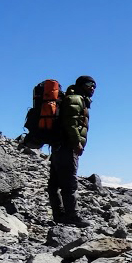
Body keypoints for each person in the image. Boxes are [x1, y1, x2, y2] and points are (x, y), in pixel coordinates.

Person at [48, 75, 95, 227]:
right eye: (89, 84)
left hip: (58, 145)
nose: (92, 88)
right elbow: (71, 123)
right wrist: (77, 143)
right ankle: (71, 215)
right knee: (69, 183)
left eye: (94, 85)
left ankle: (59, 214)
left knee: (54, 182)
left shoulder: (73, 97)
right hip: (67, 146)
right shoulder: (76, 99)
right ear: (81, 85)